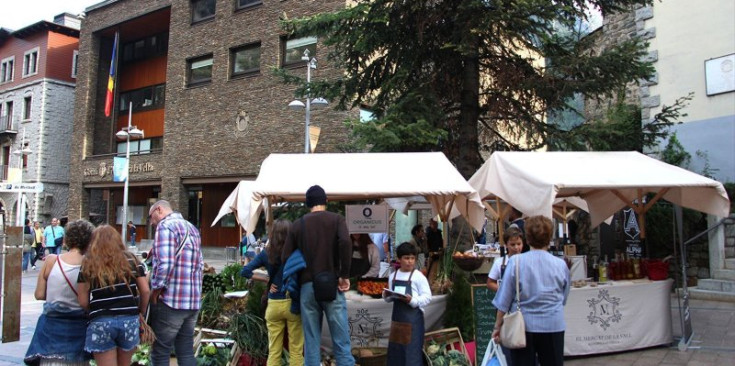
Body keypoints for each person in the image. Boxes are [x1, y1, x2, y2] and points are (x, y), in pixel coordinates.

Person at [281, 185, 354, 366]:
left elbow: (285, 257)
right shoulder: (337, 219)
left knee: (311, 343)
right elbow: (345, 242)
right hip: (333, 286)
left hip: (308, 287)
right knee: (341, 341)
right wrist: (344, 274)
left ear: (308, 204)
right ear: (326, 201)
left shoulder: (299, 224)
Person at [492, 216, 570, 366]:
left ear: (527, 238)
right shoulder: (560, 265)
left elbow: (504, 299)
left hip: (523, 326)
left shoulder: (516, 262)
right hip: (553, 323)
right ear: (549, 238)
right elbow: (564, 297)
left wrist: (497, 326)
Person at [24, 219, 95, 366]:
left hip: (51, 326)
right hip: (78, 327)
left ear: (67, 239)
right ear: (89, 240)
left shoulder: (51, 261)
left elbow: (39, 294)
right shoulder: (90, 264)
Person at [77, 225, 150, 366]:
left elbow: (83, 301)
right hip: (129, 319)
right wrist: (141, 310)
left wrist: (93, 310)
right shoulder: (131, 260)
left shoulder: (88, 263)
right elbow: (145, 291)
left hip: (101, 321)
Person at [240, 219, 303, 366]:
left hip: (273, 303)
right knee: (296, 350)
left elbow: (245, 271)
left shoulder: (266, 253)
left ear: (273, 234)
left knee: (274, 350)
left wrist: (266, 279)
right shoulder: (296, 253)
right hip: (292, 302)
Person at [147, 200, 203, 366]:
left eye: (151, 217)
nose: (151, 222)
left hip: (171, 301)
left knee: (160, 350)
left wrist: (155, 291)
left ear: (159, 209)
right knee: (185, 350)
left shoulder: (165, 227)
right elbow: (199, 264)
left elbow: (165, 264)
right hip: (192, 302)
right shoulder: (192, 228)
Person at [383, 242, 432, 365]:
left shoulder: (418, 276)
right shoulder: (393, 276)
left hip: (413, 323)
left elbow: (427, 297)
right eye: (406, 258)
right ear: (399, 259)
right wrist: (386, 296)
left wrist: (413, 301)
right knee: (396, 354)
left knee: (412, 355)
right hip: (397, 322)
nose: (409, 261)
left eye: (412, 258)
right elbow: (390, 298)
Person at [486, 227, 523, 292]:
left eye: (519, 244)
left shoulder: (528, 261)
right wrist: (504, 291)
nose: (516, 247)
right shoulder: (499, 262)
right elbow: (490, 283)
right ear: (506, 245)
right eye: (512, 244)